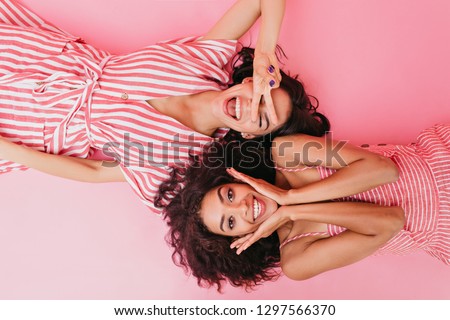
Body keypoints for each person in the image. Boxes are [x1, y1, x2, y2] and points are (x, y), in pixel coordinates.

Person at [0, 0, 329, 214]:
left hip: (32, 125)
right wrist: (264, 55)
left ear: (248, 136)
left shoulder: (183, 159)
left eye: (261, 118)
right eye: (261, 95)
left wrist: (11, 151)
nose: (249, 105)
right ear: (248, 81)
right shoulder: (205, 62)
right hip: (40, 59)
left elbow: (92, 173)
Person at [158, 124, 449, 291]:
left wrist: (292, 197)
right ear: (238, 241)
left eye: (230, 195)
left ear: (234, 177)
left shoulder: (286, 152)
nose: (243, 207)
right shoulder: (297, 259)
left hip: (441, 157)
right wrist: (293, 211)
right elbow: (390, 220)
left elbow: (384, 170)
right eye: (231, 222)